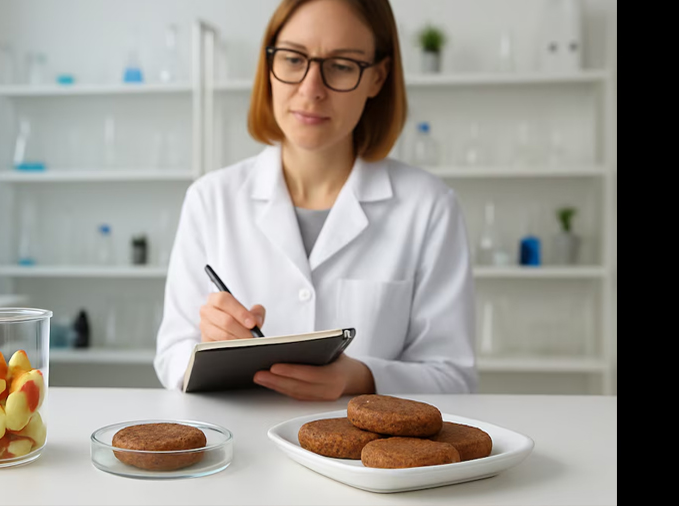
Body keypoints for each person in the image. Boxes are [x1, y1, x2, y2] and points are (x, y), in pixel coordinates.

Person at [154, 0, 477, 400]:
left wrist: (359, 378)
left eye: (341, 66)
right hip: (243, 452)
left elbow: (454, 378)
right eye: (293, 59)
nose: (311, 89)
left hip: (366, 457)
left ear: (378, 77)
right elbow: (171, 358)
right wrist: (209, 348)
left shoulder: (429, 208)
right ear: (269, 65)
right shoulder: (210, 199)